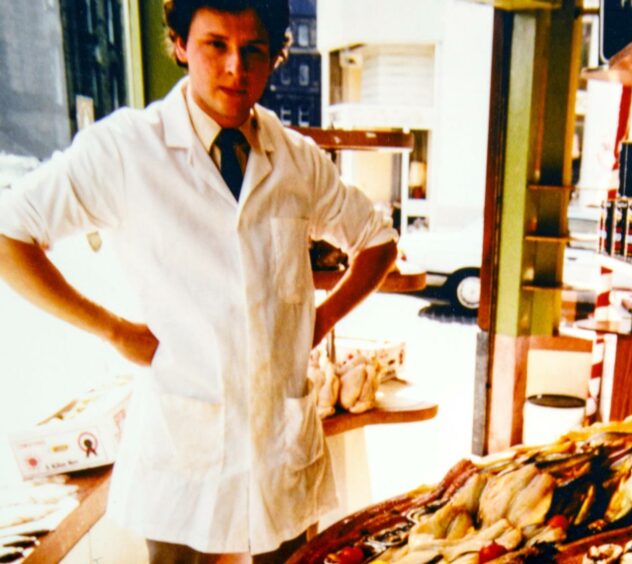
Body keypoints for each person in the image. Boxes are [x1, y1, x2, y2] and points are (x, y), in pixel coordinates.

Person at [0, 0, 398, 561]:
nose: (236, 67)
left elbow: (378, 240)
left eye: (253, 49)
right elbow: (10, 237)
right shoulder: (127, 150)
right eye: (216, 45)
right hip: (182, 452)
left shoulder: (296, 161)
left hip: (277, 442)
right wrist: (112, 330)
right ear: (181, 45)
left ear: (275, 56)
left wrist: (323, 317)